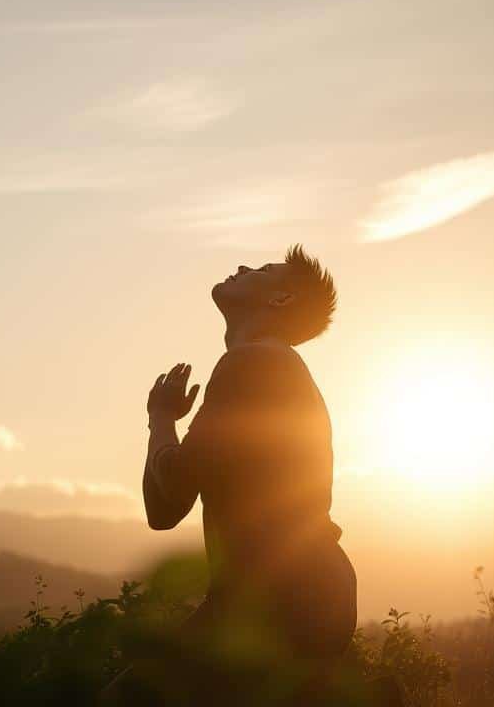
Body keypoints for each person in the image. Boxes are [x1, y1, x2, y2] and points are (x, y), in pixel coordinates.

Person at [130, 245, 358, 702]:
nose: (242, 267)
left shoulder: (257, 361)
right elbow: (165, 509)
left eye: (263, 269)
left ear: (281, 300)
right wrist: (163, 423)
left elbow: (171, 486)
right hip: (292, 594)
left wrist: (159, 419)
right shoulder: (260, 366)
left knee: (132, 697)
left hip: (282, 596)